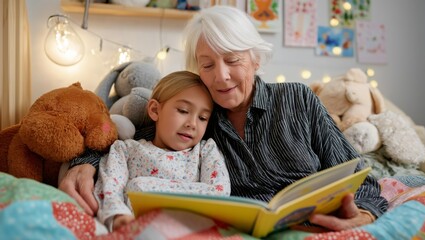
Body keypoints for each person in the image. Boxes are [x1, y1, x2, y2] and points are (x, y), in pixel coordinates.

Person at [59, 5, 388, 232]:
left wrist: (361, 215)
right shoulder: (198, 119)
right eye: (207, 65)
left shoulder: (297, 99)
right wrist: (85, 161)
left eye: (232, 60)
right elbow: (131, 141)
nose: (221, 77)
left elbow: (361, 177)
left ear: (255, 58)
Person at [94, 70, 231, 231]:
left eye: (202, 118)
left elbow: (219, 192)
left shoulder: (205, 151)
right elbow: (109, 188)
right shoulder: (125, 150)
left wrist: (142, 187)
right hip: (138, 229)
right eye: (183, 111)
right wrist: (118, 216)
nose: (193, 124)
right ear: (155, 110)